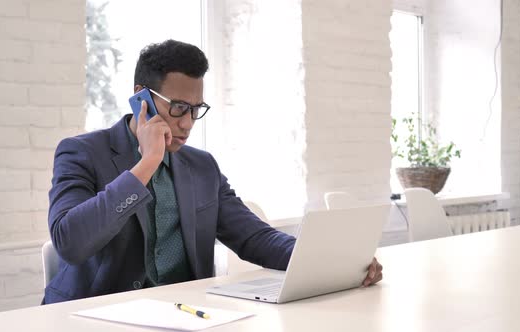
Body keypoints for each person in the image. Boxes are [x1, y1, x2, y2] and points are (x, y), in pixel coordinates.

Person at [42, 39, 382, 304]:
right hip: (93, 318)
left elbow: (254, 237)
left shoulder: (201, 166)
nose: (187, 123)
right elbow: (70, 242)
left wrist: (332, 262)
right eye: (178, 108)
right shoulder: (81, 152)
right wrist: (146, 164)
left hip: (185, 315)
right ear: (140, 98)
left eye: (195, 110)